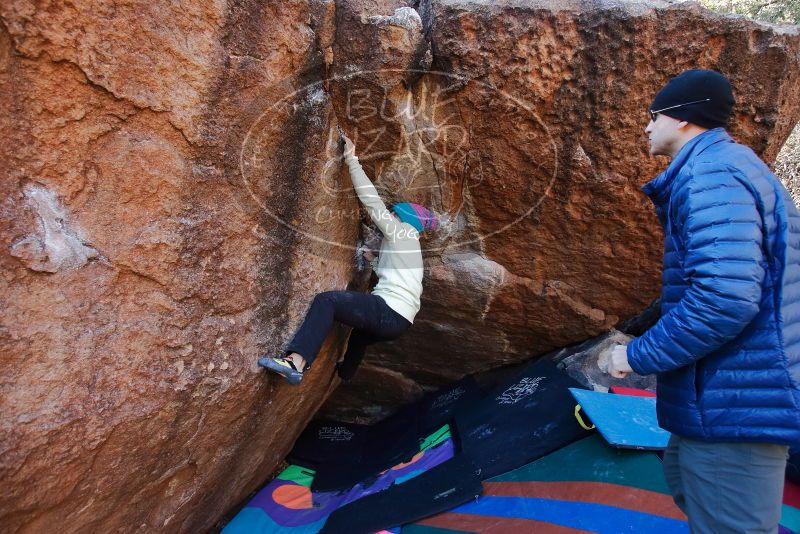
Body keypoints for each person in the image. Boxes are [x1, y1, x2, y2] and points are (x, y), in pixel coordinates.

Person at [606, 69, 800, 533]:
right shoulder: (731, 165)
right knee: (685, 479)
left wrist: (635, 355)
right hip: (733, 390)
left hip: (736, 400)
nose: (647, 127)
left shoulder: (711, 176)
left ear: (682, 118)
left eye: (653, 116)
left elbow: (725, 298)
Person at [258, 132, 438, 385]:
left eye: (394, 213)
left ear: (403, 218)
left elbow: (372, 202)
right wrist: (373, 260)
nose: (389, 216)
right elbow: (393, 274)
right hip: (401, 322)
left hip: (389, 311)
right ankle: (346, 373)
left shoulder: (401, 231)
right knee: (360, 335)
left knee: (327, 302)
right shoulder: (410, 245)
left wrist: (352, 160)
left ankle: (295, 363)